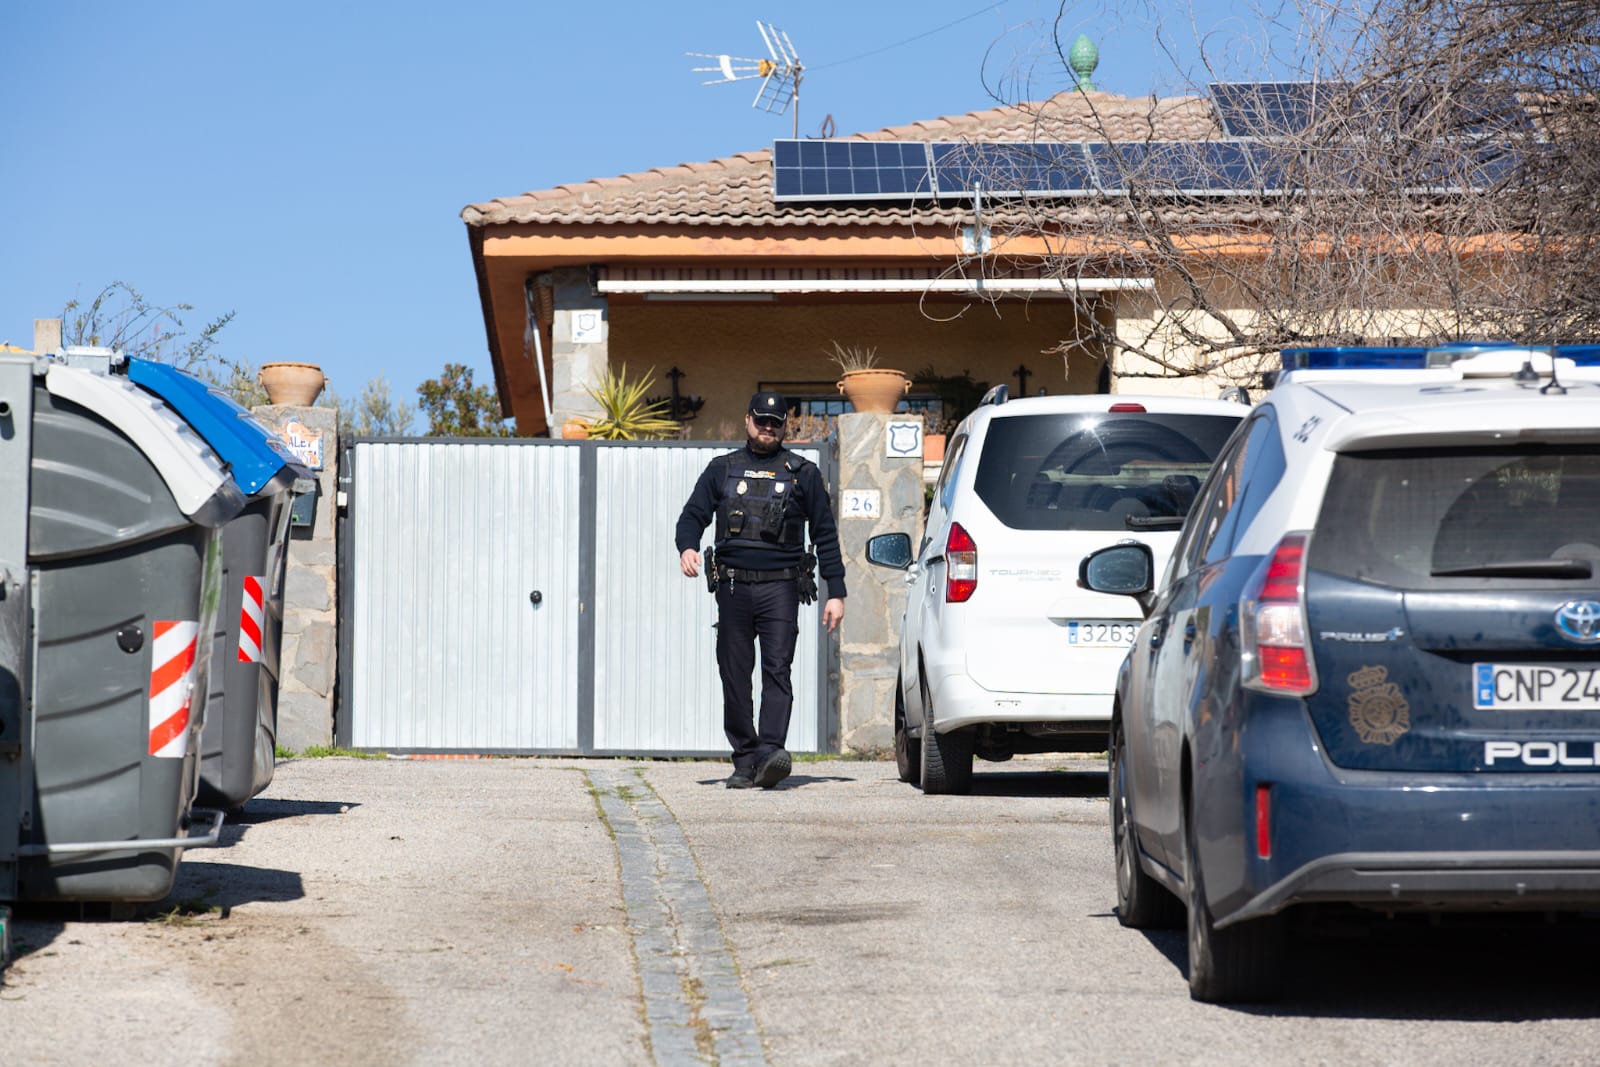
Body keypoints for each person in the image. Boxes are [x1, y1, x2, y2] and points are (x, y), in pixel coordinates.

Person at [676, 391, 846, 790]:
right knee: (734, 675)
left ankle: (771, 753)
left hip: (782, 588)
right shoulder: (722, 469)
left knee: (777, 671)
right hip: (733, 587)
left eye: (775, 422)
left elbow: (825, 535)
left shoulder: (802, 473)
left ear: (784, 426)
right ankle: (744, 758)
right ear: (747, 421)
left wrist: (835, 592)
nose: (767, 428)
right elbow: (692, 516)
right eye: (761, 421)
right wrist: (686, 546)